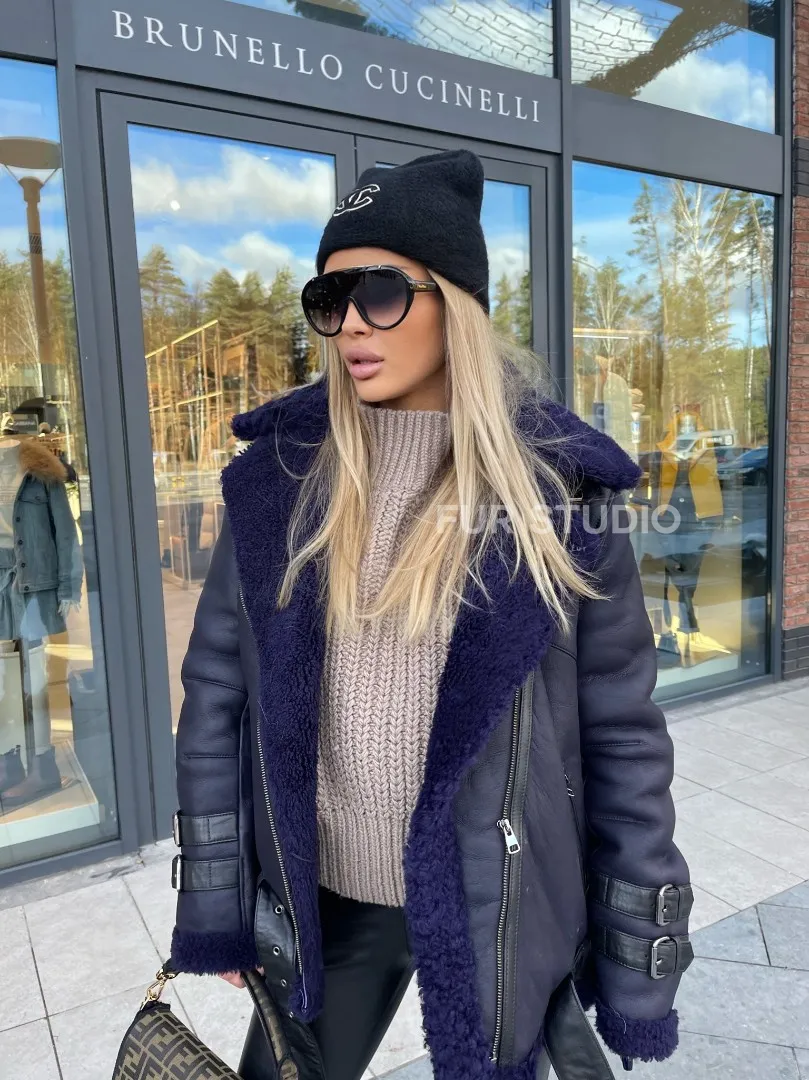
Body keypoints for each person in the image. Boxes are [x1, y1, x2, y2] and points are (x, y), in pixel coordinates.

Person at [168, 151, 693, 1080]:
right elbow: (216, 697)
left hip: (501, 903)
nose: (348, 324)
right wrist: (218, 905)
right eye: (328, 299)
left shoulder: (560, 495)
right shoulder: (280, 482)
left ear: (454, 303)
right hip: (332, 903)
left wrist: (635, 961)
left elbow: (622, 739)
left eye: (378, 292)